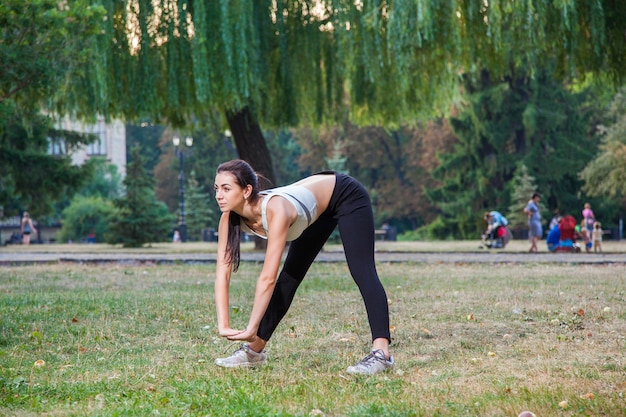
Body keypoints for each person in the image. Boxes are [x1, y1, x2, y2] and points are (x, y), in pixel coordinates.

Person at [212, 159, 393, 375]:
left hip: (344, 194)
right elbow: (222, 273)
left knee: (362, 270)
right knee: (289, 277)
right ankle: (253, 351)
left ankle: (381, 354)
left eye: (226, 188)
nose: (218, 196)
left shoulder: (275, 209)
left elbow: (267, 277)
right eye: (216, 189)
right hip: (315, 209)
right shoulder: (228, 218)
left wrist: (251, 327)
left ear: (246, 190)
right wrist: (223, 325)